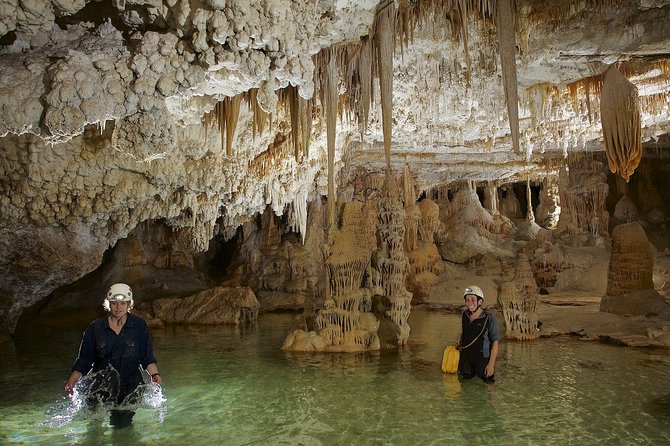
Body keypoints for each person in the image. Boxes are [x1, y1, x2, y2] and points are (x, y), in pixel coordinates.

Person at [64, 283, 162, 427]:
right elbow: (84, 359)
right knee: (93, 430)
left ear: (129, 304)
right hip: (100, 388)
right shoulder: (95, 328)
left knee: (122, 427)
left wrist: (155, 375)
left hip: (129, 388)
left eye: (123, 303)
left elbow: (146, 356)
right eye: (114, 303)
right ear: (108, 304)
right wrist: (72, 379)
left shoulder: (139, 326)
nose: (118, 307)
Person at [454, 285, 499, 383]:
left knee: (489, 385)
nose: (470, 303)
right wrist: (459, 337)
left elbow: (495, 342)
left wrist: (491, 365)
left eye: (473, 300)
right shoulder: (465, 315)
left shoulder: (489, 318)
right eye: (467, 300)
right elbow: (465, 329)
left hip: (482, 358)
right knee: (464, 383)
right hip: (466, 357)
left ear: (480, 301)